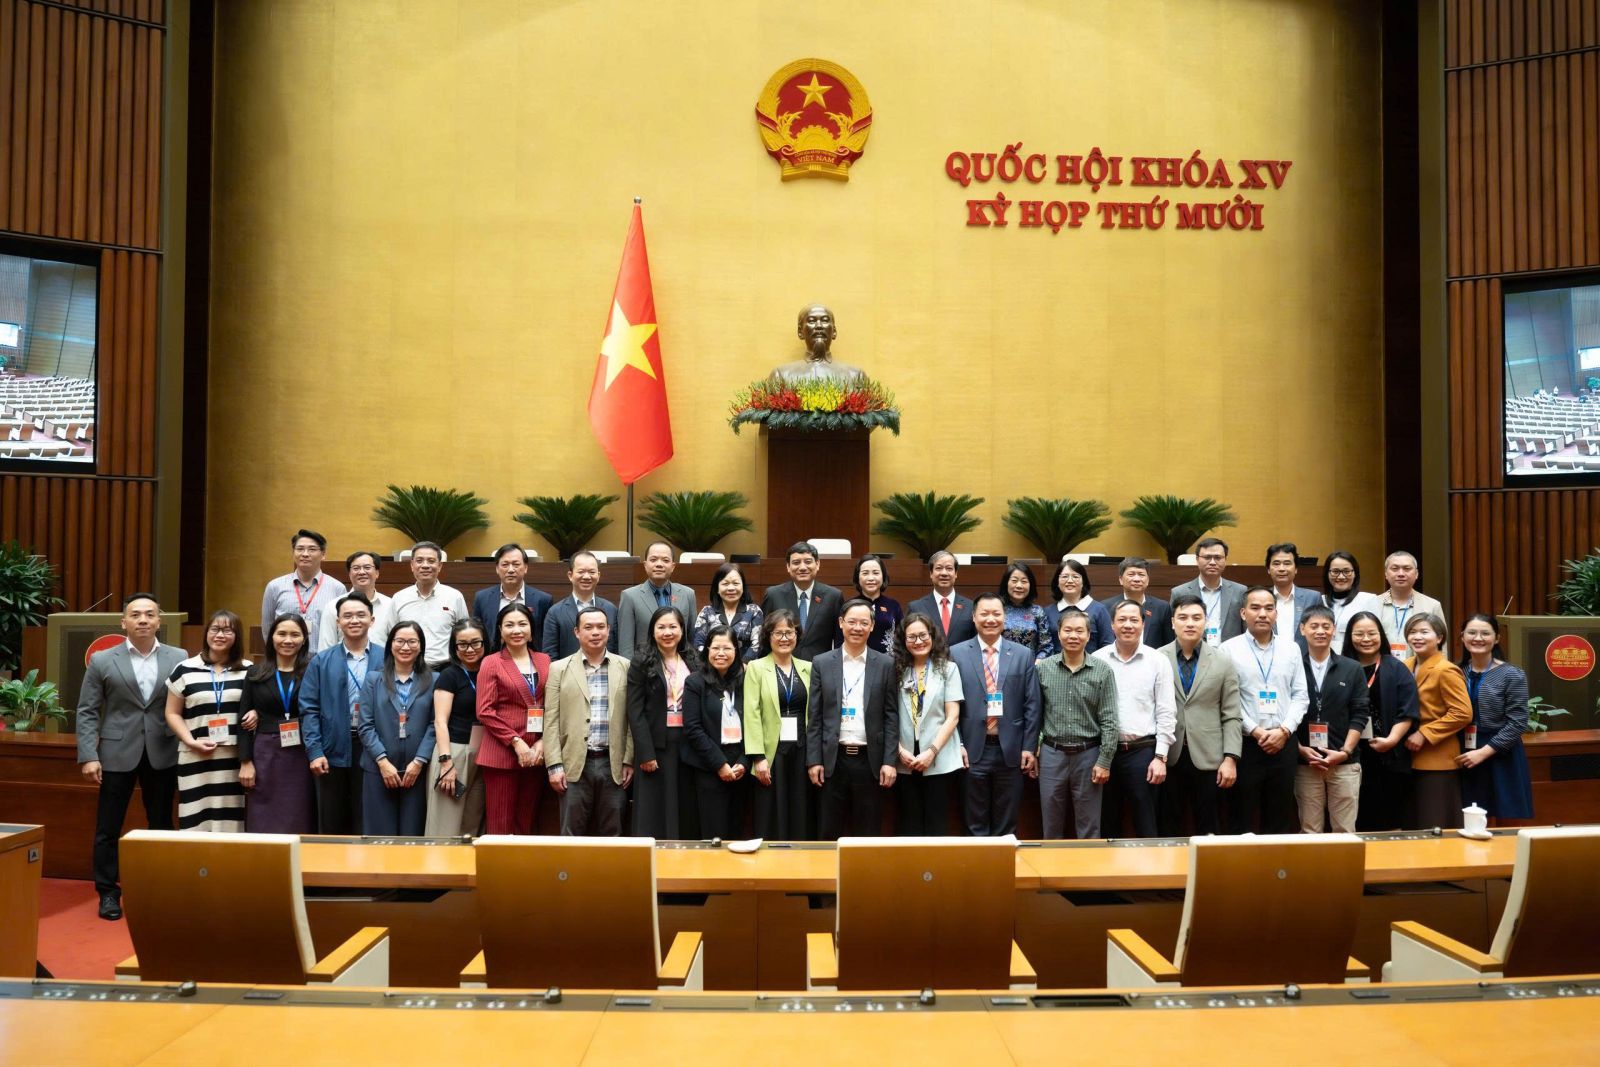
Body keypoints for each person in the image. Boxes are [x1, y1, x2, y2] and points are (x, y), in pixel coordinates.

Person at [77, 593, 187, 919]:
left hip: (163, 751)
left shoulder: (179, 657)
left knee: (162, 824)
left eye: (149, 614)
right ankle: (108, 893)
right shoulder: (102, 660)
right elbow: (87, 710)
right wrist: (88, 755)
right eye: (135, 614)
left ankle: (160, 889)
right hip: (115, 752)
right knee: (108, 828)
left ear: (159, 621)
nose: (143, 620)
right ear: (123, 622)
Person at [807, 598, 899, 838]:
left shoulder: (886, 664)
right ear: (841, 623)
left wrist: (889, 761)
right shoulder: (822, 662)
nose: (857, 628)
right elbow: (815, 716)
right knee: (828, 830)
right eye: (852, 622)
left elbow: (891, 716)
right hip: (832, 760)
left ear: (872, 626)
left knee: (868, 831)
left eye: (864, 623)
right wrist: (814, 760)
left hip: (870, 761)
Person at [952, 592, 1043, 836]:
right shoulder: (956, 654)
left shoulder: (1023, 654)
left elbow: (1032, 705)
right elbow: (949, 706)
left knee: (1007, 822)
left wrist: (1029, 747)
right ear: (974, 617)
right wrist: (958, 744)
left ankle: (1003, 861)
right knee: (974, 821)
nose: (990, 619)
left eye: (996, 613)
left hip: (1011, 750)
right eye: (984, 614)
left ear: (1005, 618)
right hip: (972, 749)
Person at [1222, 587, 1309, 834]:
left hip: (1284, 743)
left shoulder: (1291, 649)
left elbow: (1300, 695)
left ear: (1276, 614)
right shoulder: (1228, 650)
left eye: (1269, 608)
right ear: (1243, 613)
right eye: (1255, 608)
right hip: (1246, 745)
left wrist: (1284, 730)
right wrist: (1256, 731)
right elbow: (1228, 700)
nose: (1263, 614)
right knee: (1242, 816)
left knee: (1279, 818)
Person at [300, 592, 387, 834]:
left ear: (372, 620)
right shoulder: (321, 661)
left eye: (361, 615)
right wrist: (315, 751)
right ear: (338, 622)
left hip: (374, 748)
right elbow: (309, 709)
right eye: (347, 616)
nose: (354, 620)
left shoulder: (386, 658)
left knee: (368, 819)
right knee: (331, 820)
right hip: (332, 747)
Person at [544, 606, 634, 836]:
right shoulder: (558, 668)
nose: (595, 632)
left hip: (613, 763)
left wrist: (628, 760)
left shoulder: (625, 667)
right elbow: (551, 720)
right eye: (588, 627)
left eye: (601, 627)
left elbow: (632, 719)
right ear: (576, 632)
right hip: (573, 764)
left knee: (614, 833)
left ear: (609, 630)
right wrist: (554, 765)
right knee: (571, 834)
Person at [1158, 593, 1242, 836]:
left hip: (1209, 756)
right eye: (1183, 617)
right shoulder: (1157, 657)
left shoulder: (1222, 661)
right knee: (1168, 825)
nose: (1190, 623)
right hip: (1168, 754)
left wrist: (1230, 758)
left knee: (1209, 827)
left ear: (1205, 622)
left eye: (1196, 618)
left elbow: (1232, 714)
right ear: (1172, 622)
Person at [1092, 600, 1176, 838]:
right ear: (1112, 624)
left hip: (1143, 752)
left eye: (1134, 620)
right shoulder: (1097, 659)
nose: (1127, 625)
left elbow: (1166, 711)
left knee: (1146, 822)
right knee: (1107, 822)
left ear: (1143, 624)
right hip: (1104, 753)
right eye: (1122, 620)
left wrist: (1160, 756)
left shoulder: (1157, 660)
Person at [163, 610, 250, 833]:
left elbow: (260, 706)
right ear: (207, 633)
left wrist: (257, 714)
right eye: (215, 629)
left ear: (237, 636)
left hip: (234, 758)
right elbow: (172, 713)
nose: (220, 635)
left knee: (231, 822)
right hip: (195, 755)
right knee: (195, 819)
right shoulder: (184, 668)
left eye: (227, 630)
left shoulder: (248, 670)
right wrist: (190, 741)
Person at [1036, 608, 1119, 839]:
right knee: (1051, 822)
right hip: (1052, 754)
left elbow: (1110, 719)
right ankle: (1051, 863)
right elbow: (1035, 714)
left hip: (1088, 754)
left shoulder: (1102, 670)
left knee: (1089, 825)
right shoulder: (1043, 669)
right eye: (1068, 630)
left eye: (1079, 631)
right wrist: (1034, 749)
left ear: (1089, 635)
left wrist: (1104, 760)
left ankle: (1088, 864)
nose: (1073, 636)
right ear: (1059, 633)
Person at [474, 603, 553, 835]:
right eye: (509, 625)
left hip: (536, 754)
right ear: (500, 630)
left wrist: (543, 741)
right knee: (501, 824)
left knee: (526, 822)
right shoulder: (491, 662)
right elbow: (485, 711)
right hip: (502, 753)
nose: (516, 630)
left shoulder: (545, 660)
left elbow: (552, 705)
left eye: (522, 624)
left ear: (531, 629)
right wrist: (516, 742)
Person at [1293, 606, 1370, 834]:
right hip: (1305, 762)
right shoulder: (1293, 666)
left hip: (1344, 762)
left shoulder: (1352, 668)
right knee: (1309, 830)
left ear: (1334, 630)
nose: (1320, 631)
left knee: (1345, 830)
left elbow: (1360, 713)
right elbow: (1285, 711)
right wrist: (1299, 749)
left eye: (1326, 626)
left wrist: (1345, 752)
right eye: (1314, 626)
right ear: (1302, 629)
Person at [1341, 611, 1421, 831]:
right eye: (1359, 634)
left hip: (1388, 754)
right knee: (1354, 817)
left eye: (1372, 633)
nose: (1366, 639)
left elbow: (1408, 710)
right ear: (1349, 637)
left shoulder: (1396, 668)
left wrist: (1392, 740)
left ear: (1381, 635)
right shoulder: (1342, 667)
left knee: (1388, 816)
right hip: (1350, 754)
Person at [237, 613, 315, 834]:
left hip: (302, 754)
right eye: (281, 634)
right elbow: (242, 721)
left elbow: (317, 712)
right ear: (271, 637)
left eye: (295, 635)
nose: (288, 640)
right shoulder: (255, 673)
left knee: (300, 814)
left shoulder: (313, 671)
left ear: (304, 639)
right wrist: (245, 761)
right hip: (265, 754)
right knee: (264, 816)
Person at [357, 622, 436, 836]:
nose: (405, 647)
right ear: (390, 644)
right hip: (378, 769)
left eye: (412, 642)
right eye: (400, 641)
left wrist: (419, 762)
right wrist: (383, 762)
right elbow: (365, 725)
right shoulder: (374, 679)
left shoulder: (434, 680)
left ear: (421, 646)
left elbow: (435, 725)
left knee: (413, 835)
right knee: (379, 835)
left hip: (418, 772)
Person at [629, 606, 701, 839]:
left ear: (682, 630)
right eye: (661, 627)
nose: (667, 632)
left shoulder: (693, 660)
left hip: (688, 742)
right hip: (655, 744)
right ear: (652, 631)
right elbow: (635, 710)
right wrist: (645, 753)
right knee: (654, 807)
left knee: (685, 802)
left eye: (673, 627)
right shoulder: (641, 661)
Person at [1456, 613, 1535, 820]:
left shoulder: (1512, 674)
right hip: (1464, 750)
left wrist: (1483, 753)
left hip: (1500, 752)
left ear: (1497, 638)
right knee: (1469, 817)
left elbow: (1518, 722)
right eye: (1472, 633)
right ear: (1462, 637)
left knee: (1504, 818)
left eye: (1485, 633)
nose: (1478, 638)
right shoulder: (1456, 672)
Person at [891, 613, 963, 835]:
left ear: (932, 636)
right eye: (911, 637)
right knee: (908, 824)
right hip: (904, 758)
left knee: (937, 823)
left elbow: (953, 716)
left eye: (923, 635)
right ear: (903, 640)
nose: (918, 641)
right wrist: (898, 750)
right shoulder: (895, 669)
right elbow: (887, 715)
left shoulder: (948, 669)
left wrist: (931, 751)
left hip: (938, 756)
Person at [744, 610, 813, 840]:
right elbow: (751, 713)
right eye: (778, 633)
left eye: (789, 632)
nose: (784, 638)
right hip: (771, 752)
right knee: (771, 812)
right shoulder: (756, 668)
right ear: (768, 636)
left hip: (802, 749)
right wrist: (758, 757)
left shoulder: (809, 667)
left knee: (800, 808)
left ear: (797, 635)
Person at [683, 626, 753, 839]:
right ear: (707, 650)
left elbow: (755, 722)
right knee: (714, 832)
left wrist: (744, 761)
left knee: (739, 829)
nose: (721, 653)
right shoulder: (695, 682)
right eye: (715, 648)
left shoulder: (746, 680)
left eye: (727, 648)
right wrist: (720, 764)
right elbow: (693, 728)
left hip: (740, 765)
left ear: (736, 651)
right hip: (709, 766)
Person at [1404, 612, 1472, 829]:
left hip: (1437, 759)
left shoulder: (1446, 669)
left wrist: (1425, 733)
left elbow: (1462, 712)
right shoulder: (1405, 665)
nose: (1417, 637)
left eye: (1424, 632)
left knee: (1435, 822)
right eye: (1412, 632)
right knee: (1413, 823)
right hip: (1408, 756)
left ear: (1440, 637)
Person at [424, 619, 489, 837]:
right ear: (454, 647)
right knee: (445, 823)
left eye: (475, 642)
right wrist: (446, 763)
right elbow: (440, 721)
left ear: (485, 642)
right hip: (454, 751)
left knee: (472, 823)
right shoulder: (449, 675)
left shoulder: (490, 671)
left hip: (483, 753)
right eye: (462, 644)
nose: (470, 649)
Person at [261, 529, 347, 650]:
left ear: (323, 554)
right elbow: (268, 628)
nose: (305, 554)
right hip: (286, 656)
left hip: (323, 657)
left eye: (312, 549)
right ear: (293, 553)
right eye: (300, 549)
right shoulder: (275, 587)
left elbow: (342, 629)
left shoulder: (337, 588)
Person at [390, 541, 470, 669]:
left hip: (445, 668)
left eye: (431, 561)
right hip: (409, 668)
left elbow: (464, 635)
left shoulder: (455, 597)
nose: (425, 565)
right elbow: (391, 635)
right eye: (419, 561)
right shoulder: (399, 598)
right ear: (412, 565)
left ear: (440, 566)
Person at [762, 541, 844, 661]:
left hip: (820, 667)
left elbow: (840, 639)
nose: (802, 567)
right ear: (788, 567)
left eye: (808, 562)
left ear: (817, 564)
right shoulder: (773, 595)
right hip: (781, 664)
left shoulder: (833, 596)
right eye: (796, 563)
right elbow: (765, 636)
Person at [619, 541, 698, 656]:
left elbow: (692, 639)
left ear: (673, 566)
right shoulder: (630, 596)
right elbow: (626, 646)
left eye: (665, 560)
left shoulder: (688, 594)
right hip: (644, 664)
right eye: (653, 560)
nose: (659, 564)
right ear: (645, 565)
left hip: (679, 663)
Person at [472, 544, 552, 653]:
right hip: (492, 659)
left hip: (531, 659)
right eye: (505, 565)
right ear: (497, 568)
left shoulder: (543, 600)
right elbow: (477, 635)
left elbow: (546, 638)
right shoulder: (482, 598)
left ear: (526, 568)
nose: (510, 570)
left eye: (516, 564)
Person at [541, 550, 621, 659]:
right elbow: (550, 655)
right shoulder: (555, 612)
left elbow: (616, 650)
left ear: (598, 576)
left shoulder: (611, 609)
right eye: (581, 571)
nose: (586, 576)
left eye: (592, 572)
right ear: (570, 575)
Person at [1170, 537, 1247, 646]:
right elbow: (1174, 631)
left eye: (1218, 558)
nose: (1212, 562)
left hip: (1230, 653)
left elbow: (1246, 629)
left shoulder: (1240, 591)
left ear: (1225, 560)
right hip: (1194, 652)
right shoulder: (1179, 592)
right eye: (1207, 557)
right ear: (1197, 560)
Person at [316, 550, 393, 652]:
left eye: (367, 567)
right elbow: (326, 648)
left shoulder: (390, 605)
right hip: (342, 662)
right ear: (349, 574)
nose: (362, 572)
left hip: (381, 661)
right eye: (356, 568)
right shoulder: (332, 606)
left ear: (377, 573)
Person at [1377, 551, 1446, 663]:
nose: (1401, 573)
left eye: (1407, 568)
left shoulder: (1432, 605)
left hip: (1420, 668)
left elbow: (1442, 647)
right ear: (1386, 574)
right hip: (1381, 668)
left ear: (1416, 574)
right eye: (1395, 569)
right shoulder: (1373, 603)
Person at [692, 561, 764, 660]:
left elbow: (757, 644)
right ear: (717, 588)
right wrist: (714, 664)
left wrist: (743, 664)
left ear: (743, 587)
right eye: (725, 584)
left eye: (735, 583)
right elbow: (698, 644)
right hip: (713, 667)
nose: (731, 588)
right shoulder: (706, 612)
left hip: (745, 667)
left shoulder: (754, 612)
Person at [905, 550, 976, 646]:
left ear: (956, 573)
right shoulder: (915, 607)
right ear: (931, 573)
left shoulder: (971, 606)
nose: (944, 573)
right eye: (939, 568)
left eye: (949, 568)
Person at [1098, 558, 1173, 648]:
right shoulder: (1105, 607)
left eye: (1141, 574)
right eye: (1131, 574)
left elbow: (1169, 643)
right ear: (1121, 579)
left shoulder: (1162, 607)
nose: (1137, 579)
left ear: (1148, 580)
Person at [1044, 559, 1113, 654]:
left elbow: (1108, 645)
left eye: (1075, 576)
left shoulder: (1099, 610)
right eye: (1064, 576)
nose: (1070, 581)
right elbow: (1045, 646)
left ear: (1083, 581)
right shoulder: (1048, 612)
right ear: (1057, 582)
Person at [837, 554, 902, 654]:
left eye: (876, 573)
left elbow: (902, 639)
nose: (871, 578)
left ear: (883, 576)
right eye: (865, 573)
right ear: (858, 577)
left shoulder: (893, 605)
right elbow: (839, 640)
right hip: (856, 659)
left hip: (888, 661)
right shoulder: (849, 606)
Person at [1321, 551, 1381, 651]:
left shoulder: (1368, 600)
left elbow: (1375, 635)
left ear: (1355, 573)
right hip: (1324, 656)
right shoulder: (1320, 600)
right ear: (1327, 574)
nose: (1341, 576)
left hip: (1355, 657)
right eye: (1335, 571)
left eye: (1347, 571)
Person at [1265, 542, 1322, 645]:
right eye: (1276, 564)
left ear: (1296, 569)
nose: (1282, 569)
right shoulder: (1260, 598)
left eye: (1287, 563)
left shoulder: (1313, 598)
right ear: (1268, 569)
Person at [997, 562, 1054, 657]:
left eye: (1024, 581)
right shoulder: (997, 609)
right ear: (1006, 583)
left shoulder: (1037, 611)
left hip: (1030, 664)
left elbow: (1046, 646)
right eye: (1014, 581)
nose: (1019, 586)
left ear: (1030, 585)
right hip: (1000, 663)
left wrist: (1036, 663)